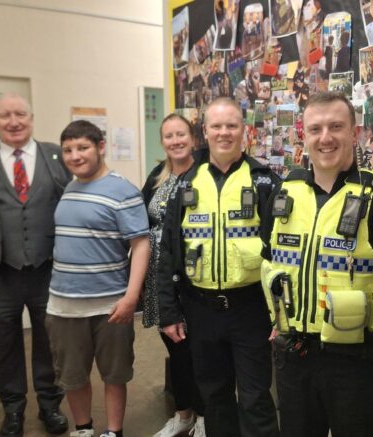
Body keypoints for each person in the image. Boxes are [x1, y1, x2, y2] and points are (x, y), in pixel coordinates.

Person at [260, 92, 373, 437]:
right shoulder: (283, 194)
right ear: (303, 135)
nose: (325, 137)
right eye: (315, 129)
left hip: (359, 363)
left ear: (355, 133)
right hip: (293, 357)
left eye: (336, 126)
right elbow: (268, 259)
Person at [157, 97, 280, 437]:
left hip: (251, 308)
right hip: (201, 310)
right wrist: (169, 311)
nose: (224, 133)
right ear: (205, 132)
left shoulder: (265, 182)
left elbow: (283, 253)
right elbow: (168, 251)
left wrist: (281, 314)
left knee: (256, 397)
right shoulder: (184, 184)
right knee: (214, 397)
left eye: (232, 125)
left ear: (244, 131)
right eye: (217, 126)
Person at [0, 93, 70, 437]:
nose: (14, 121)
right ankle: (12, 410)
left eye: (21, 114)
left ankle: (50, 404)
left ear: (32, 117)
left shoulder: (55, 155)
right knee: (3, 343)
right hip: (0, 273)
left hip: (47, 269)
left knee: (50, 340)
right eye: (6, 115)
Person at [45, 120, 149, 437]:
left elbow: (141, 244)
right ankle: (83, 429)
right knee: (72, 376)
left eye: (83, 147)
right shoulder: (69, 188)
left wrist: (132, 297)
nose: (75, 156)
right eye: (68, 150)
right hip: (64, 306)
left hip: (110, 305)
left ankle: (113, 431)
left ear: (100, 147)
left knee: (114, 374)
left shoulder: (124, 191)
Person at [140, 114, 205, 437]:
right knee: (175, 350)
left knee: (198, 351)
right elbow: (139, 220)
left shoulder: (205, 173)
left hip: (194, 276)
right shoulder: (157, 176)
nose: (175, 141)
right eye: (169, 136)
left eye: (181, 134)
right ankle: (183, 415)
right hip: (159, 279)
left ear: (192, 137)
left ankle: (205, 417)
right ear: (163, 141)